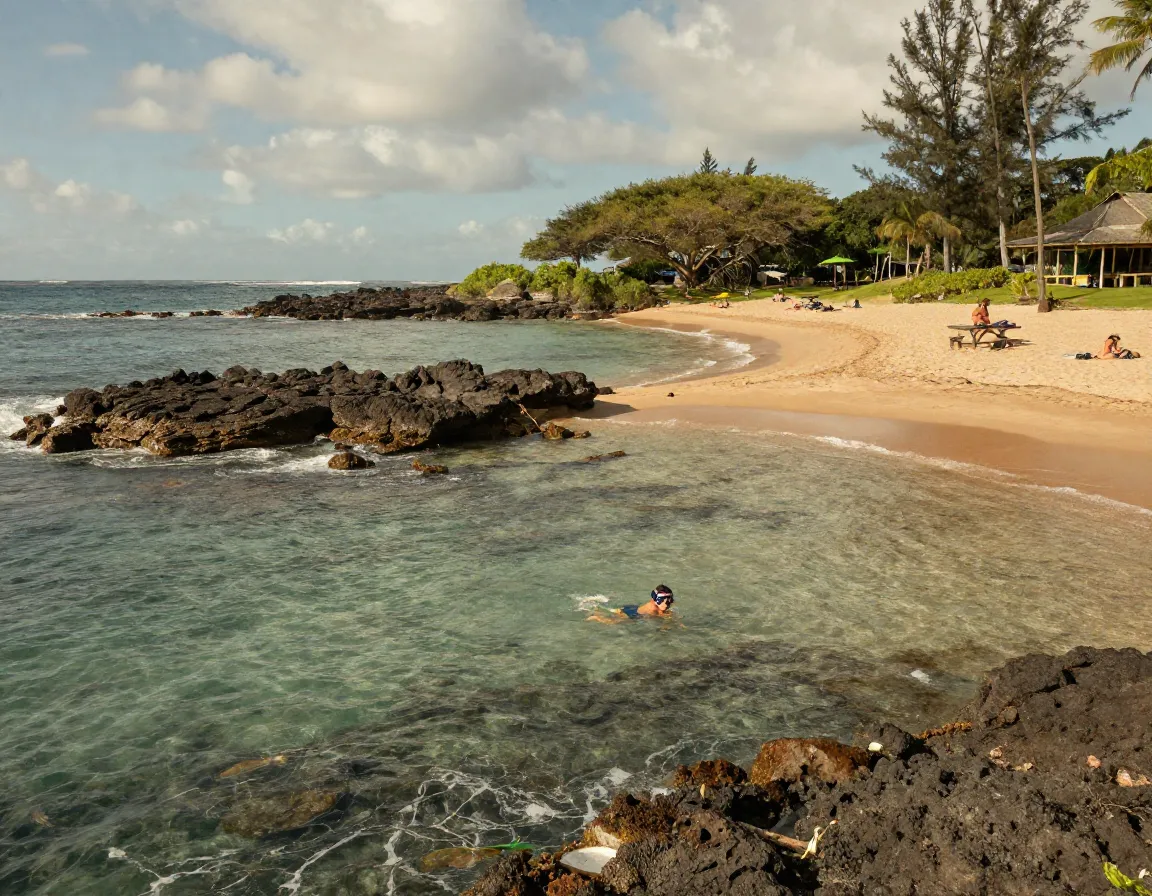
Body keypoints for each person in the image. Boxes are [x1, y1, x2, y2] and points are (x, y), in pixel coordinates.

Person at [587, 586, 676, 624]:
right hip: (631, 614)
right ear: (658, 601)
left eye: (671, 600)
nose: (670, 603)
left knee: (613, 611)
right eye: (668, 602)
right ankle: (596, 617)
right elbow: (664, 618)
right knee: (613, 622)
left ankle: (600, 607)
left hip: (632, 608)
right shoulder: (653, 608)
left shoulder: (654, 602)